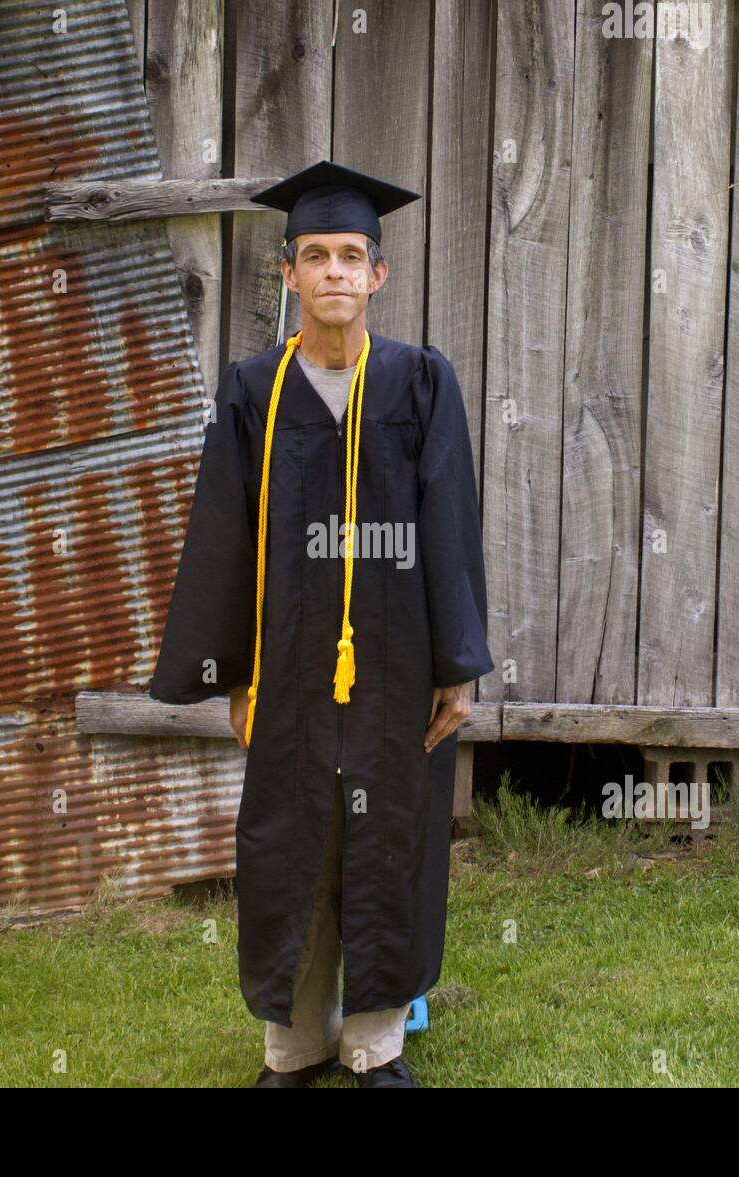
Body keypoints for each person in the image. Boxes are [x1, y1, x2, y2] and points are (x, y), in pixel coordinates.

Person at [148, 159, 494, 1089]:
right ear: (291, 276)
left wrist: (456, 666)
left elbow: (450, 522)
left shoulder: (422, 383)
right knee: (292, 839)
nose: (335, 271)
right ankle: (294, 1046)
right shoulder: (252, 390)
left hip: (398, 657)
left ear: (378, 275)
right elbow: (222, 532)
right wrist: (233, 674)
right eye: (316, 255)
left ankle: (376, 1043)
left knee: (388, 836)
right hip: (291, 659)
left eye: (352, 255)